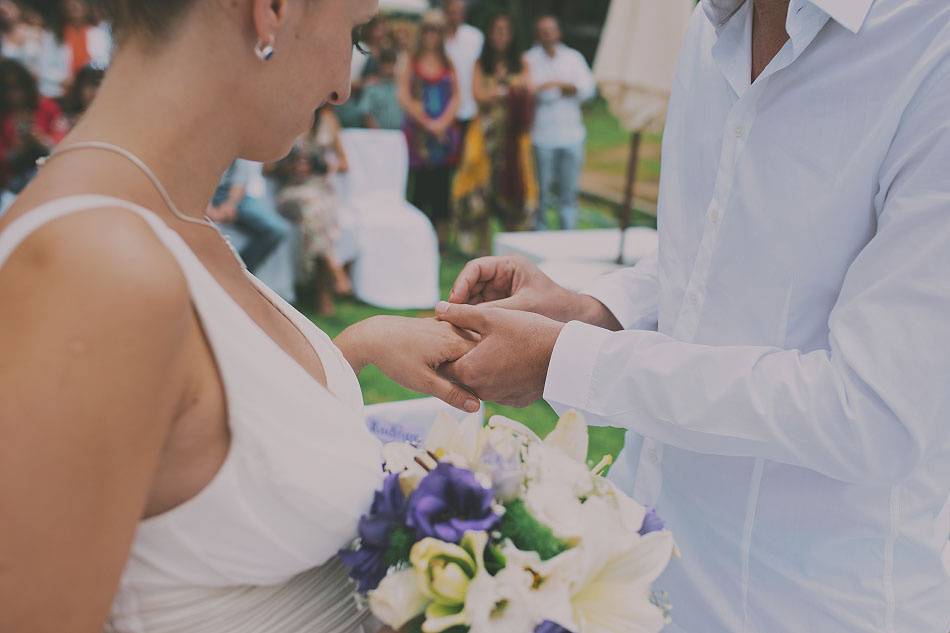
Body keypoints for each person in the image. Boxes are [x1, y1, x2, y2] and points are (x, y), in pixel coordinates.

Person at [437, 1, 950, 632]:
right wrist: (599, 311)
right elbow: (716, 254)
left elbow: (875, 413)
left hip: (808, 605)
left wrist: (564, 360)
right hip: (641, 569)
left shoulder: (933, 48)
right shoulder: (711, 24)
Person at [0, 1, 482, 632]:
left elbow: (203, 448)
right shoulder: (96, 267)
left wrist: (351, 350)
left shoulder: (170, 220)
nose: (343, 84)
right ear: (272, 12)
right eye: (353, 34)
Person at [454, 12, 536, 255]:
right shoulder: (482, 63)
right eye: (496, 30)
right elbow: (479, 94)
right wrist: (509, 86)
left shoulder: (521, 62)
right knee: (480, 187)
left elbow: (529, 89)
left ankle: (512, 250)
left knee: (514, 189)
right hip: (486, 134)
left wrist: (500, 86)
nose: (500, 35)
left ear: (512, 34)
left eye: (504, 30)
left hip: (512, 137)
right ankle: (482, 250)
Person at [275, 105, 352, 316]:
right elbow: (268, 168)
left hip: (320, 188)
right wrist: (291, 166)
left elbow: (345, 163)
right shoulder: (287, 118)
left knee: (318, 211)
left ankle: (322, 286)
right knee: (316, 208)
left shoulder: (329, 121)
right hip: (292, 191)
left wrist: (324, 166)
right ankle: (331, 276)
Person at [523, 15, 594, 231]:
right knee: (541, 193)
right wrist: (561, 86)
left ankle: (568, 237)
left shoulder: (573, 58)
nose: (548, 34)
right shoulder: (528, 59)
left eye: (551, 30)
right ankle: (540, 236)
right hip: (542, 136)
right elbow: (528, 90)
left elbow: (588, 89)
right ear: (538, 34)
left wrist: (558, 85)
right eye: (543, 31)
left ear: (558, 32)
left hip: (571, 135)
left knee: (569, 194)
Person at [399, 11, 460, 252]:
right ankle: (415, 239)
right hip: (419, 137)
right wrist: (426, 122)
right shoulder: (411, 60)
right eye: (428, 30)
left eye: (437, 31)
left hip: (443, 137)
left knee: (442, 188)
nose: (432, 36)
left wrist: (443, 123)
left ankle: (441, 241)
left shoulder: (448, 62)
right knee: (419, 187)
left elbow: (456, 96)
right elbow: (403, 95)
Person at [207, 158, 293, 275]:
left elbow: (240, 179)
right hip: (207, 193)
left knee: (277, 229)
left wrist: (230, 205)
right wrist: (207, 206)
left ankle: (239, 271)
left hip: (231, 194)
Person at [0, 58, 69, 193]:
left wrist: (41, 140)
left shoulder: (47, 107)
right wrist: (17, 149)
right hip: (13, 185)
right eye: (9, 89)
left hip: (51, 176)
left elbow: (63, 144)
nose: (16, 94)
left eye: (20, 86)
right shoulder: (3, 117)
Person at [441, 0, 482, 137]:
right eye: (451, 12)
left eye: (458, 12)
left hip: (470, 109)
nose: (454, 16)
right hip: (443, 110)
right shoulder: (438, 39)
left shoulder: (476, 37)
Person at [359, 48, 403, 130]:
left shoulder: (401, 86)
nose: (389, 67)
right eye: (386, 63)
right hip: (379, 136)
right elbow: (366, 113)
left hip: (399, 134)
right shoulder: (372, 86)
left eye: (392, 63)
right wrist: (378, 133)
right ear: (380, 64)